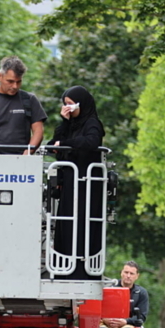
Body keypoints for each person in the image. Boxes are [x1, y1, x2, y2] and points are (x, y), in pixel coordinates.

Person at [46, 86, 105, 280]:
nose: (68, 108)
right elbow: (53, 143)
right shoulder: (69, 125)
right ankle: (64, 263)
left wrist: (66, 144)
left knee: (83, 221)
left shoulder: (92, 123)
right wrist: (65, 123)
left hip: (85, 183)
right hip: (69, 183)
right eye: (65, 105)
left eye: (71, 105)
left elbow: (91, 142)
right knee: (66, 221)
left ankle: (82, 266)